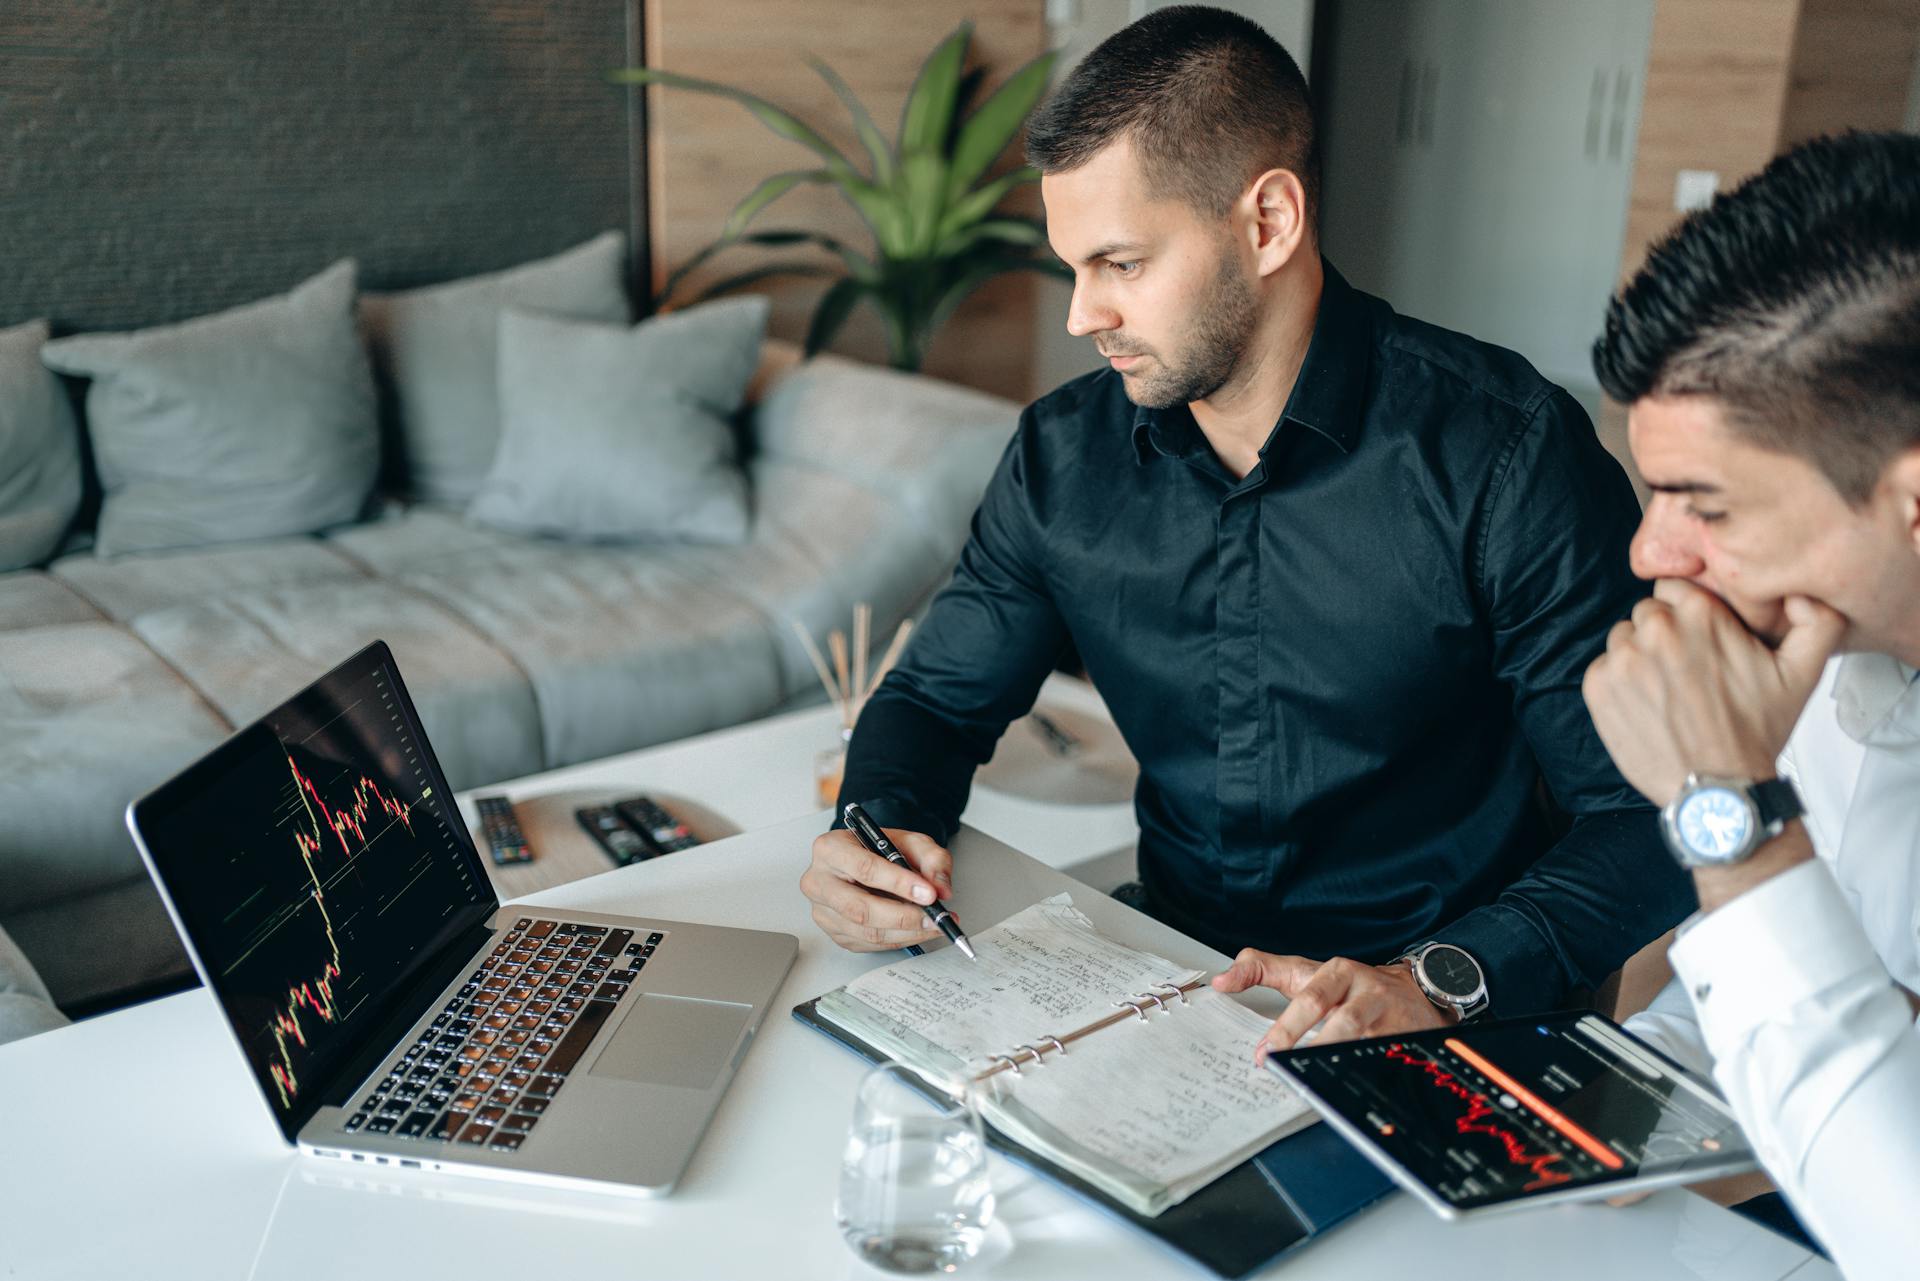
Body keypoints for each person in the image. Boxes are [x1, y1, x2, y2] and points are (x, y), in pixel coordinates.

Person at [801, 5, 1691, 1050]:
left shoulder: (1509, 454)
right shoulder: (1061, 457)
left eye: (1121, 264)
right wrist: (875, 827)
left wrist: (1437, 981)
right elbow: (936, 701)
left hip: (1442, 1010)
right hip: (1176, 980)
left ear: (1268, 221)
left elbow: (1649, 821)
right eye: (1073, 266)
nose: (1083, 315)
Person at [1581, 131, 1920, 1279]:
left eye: (1704, 506)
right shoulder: (1827, 633)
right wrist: (1576, 1123)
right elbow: (1798, 976)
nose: (1647, 553)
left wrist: (1725, 806)